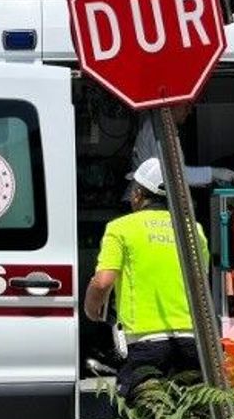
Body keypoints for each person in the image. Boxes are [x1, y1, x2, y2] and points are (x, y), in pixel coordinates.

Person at [85, 157, 210, 403]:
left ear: (138, 194)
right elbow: (200, 280)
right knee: (189, 415)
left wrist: (91, 310)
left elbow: (102, 282)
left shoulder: (121, 228)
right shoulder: (193, 228)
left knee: (144, 414)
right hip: (191, 341)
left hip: (145, 343)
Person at [130, 105, 234, 187]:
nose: (189, 111)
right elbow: (171, 173)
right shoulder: (158, 129)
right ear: (171, 106)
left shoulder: (163, 127)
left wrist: (211, 176)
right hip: (145, 200)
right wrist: (213, 173)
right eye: (186, 106)